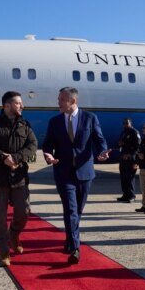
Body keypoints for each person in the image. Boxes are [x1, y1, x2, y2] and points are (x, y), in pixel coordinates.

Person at [42, 87, 110, 264]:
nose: (58, 102)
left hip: (85, 172)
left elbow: (99, 139)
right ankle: (75, 248)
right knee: (70, 210)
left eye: (61, 100)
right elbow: (48, 144)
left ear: (72, 101)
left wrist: (102, 152)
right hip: (63, 171)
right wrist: (48, 155)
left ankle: (69, 238)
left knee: (77, 210)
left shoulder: (90, 118)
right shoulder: (54, 121)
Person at [0, 91, 38, 267]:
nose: (22, 106)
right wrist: (3, 158)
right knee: (0, 217)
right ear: (7, 105)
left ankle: (14, 233)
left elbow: (33, 145)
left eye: (21, 103)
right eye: (18, 103)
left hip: (19, 177)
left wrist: (17, 158)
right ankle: (4, 250)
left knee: (23, 212)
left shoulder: (25, 124)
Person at [116, 118, 141, 203]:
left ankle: (131, 195)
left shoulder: (134, 132)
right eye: (124, 123)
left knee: (130, 177)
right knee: (123, 177)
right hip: (123, 158)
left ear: (130, 123)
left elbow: (138, 146)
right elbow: (120, 143)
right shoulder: (124, 132)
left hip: (131, 159)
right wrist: (119, 144)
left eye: (127, 123)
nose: (125, 125)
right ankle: (125, 194)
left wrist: (130, 155)